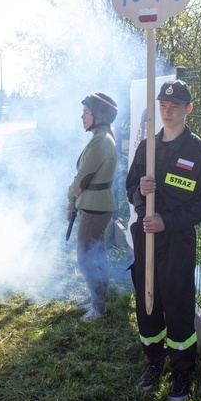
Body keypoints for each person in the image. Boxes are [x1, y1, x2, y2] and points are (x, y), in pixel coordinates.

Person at [125, 80, 201, 401]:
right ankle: (154, 362)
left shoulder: (199, 152)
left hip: (177, 241)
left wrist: (168, 220)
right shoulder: (147, 148)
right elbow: (130, 189)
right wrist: (141, 193)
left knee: (178, 305)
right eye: (163, 106)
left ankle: (181, 372)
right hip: (146, 238)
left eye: (175, 107)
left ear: (188, 110)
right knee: (147, 303)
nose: (167, 112)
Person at [66, 93, 118, 323]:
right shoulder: (103, 137)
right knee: (97, 254)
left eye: (86, 112)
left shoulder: (101, 140)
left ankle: (98, 307)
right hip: (96, 204)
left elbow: (82, 177)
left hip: (95, 206)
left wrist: (70, 199)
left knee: (86, 256)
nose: (82, 116)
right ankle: (99, 300)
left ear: (98, 116)